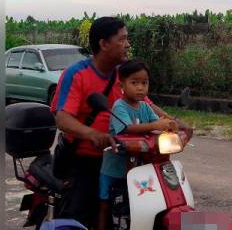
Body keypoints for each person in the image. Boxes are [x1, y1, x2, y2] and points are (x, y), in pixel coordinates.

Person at [50, 16, 190, 228]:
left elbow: (147, 104)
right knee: (80, 217)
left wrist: (173, 122)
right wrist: (93, 134)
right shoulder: (77, 74)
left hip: (126, 157)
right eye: (123, 39)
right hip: (84, 159)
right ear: (104, 44)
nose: (128, 44)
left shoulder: (123, 76)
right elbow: (62, 118)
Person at [96, 59, 177, 230]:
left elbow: (157, 125)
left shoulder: (145, 107)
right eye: (134, 82)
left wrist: (169, 126)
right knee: (105, 204)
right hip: (114, 168)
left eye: (144, 82)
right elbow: (128, 128)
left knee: (137, 205)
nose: (140, 87)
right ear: (122, 85)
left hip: (138, 170)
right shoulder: (119, 106)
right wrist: (155, 125)